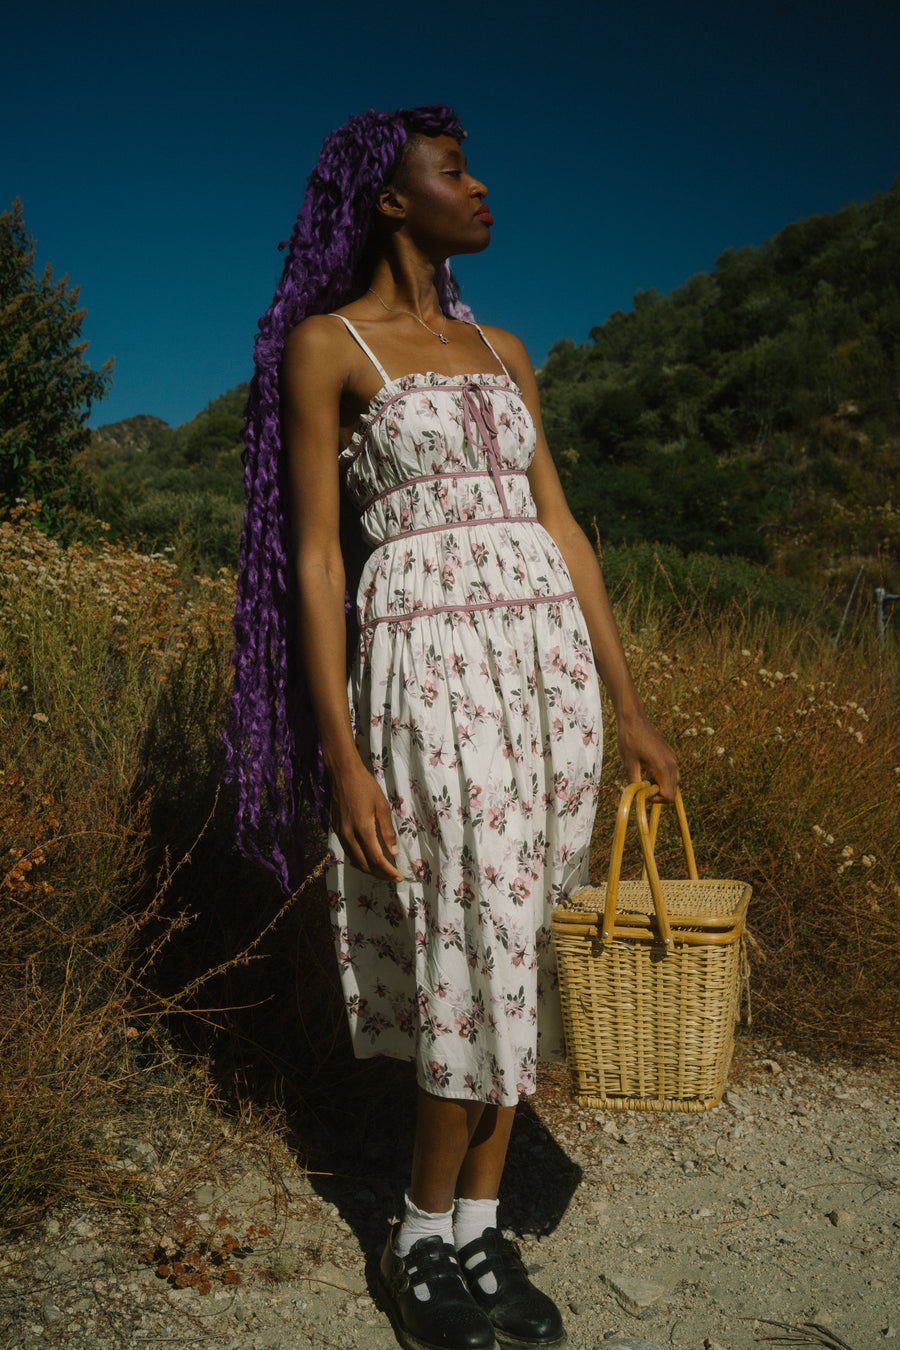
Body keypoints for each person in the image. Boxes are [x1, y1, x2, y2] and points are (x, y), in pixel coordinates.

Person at [226, 104, 678, 1350]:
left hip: (545, 673)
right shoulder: (331, 347)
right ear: (388, 197)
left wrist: (630, 703)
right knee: (464, 934)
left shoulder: (504, 347)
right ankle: (419, 1232)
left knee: (516, 938)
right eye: (453, 171)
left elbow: (565, 528)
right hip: (429, 668)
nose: (481, 189)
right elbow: (319, 560)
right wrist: (339, 751)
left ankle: (479, 1227)